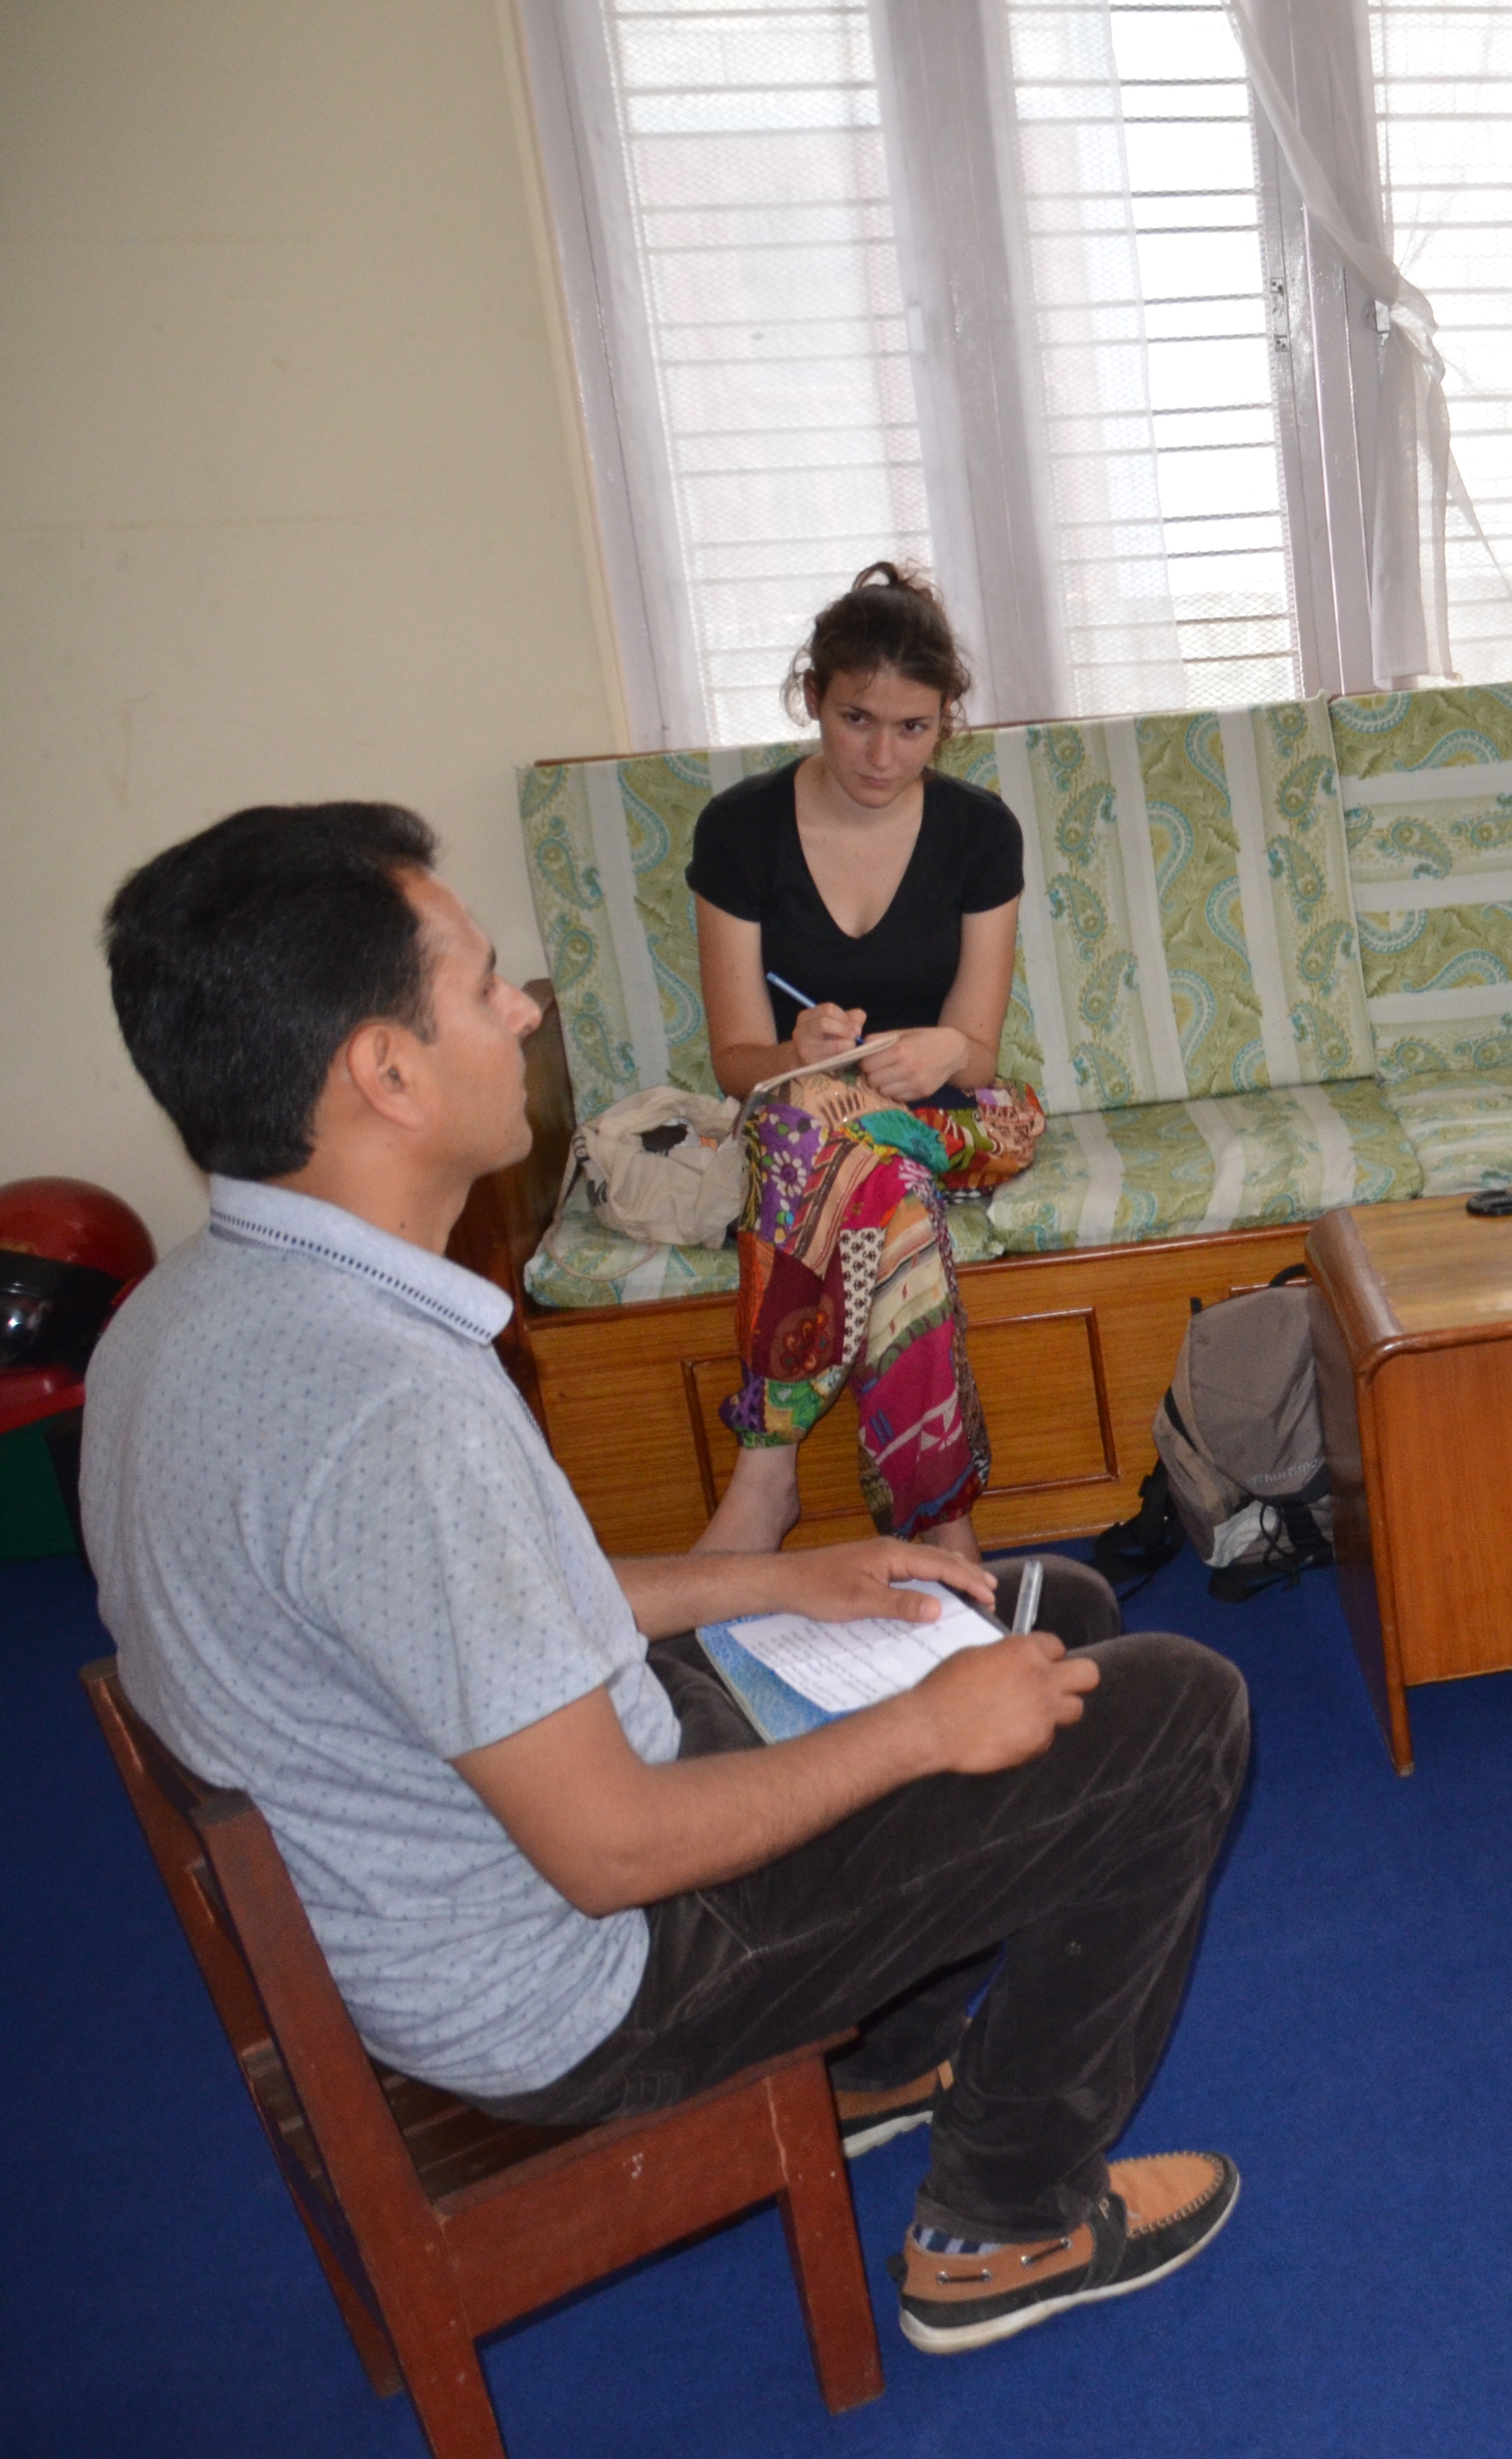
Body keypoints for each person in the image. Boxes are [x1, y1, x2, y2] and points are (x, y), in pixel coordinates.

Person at [86, 804, 1249, 2356]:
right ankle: (1005, 2219)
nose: (523, 1016)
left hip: (454, 1864)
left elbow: (465, 1613)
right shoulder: (391, 1410)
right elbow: (610, 1849)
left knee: (1037, 1619)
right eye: (484, 986)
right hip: (590, 1980)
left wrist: (787, 1581)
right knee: (1173, 1714)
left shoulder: (192, 1312)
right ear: (385, 1072)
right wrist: (922, 1731)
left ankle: (876, 2065)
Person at [690, 563, 1040, 1560]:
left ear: (944, 722)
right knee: (869, 1180)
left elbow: (979, 1052)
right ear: (813, 698)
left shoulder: (979, 832)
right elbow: (735, 1063)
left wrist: (943, 1050)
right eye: (855, 720)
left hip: (960, 1119)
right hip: (819, 1130)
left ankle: (765, 1473)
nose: (882, 756)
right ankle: (942, 1526)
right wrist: (793, 1051)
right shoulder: (739, 832)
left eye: (912, 728)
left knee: (823, 1136)